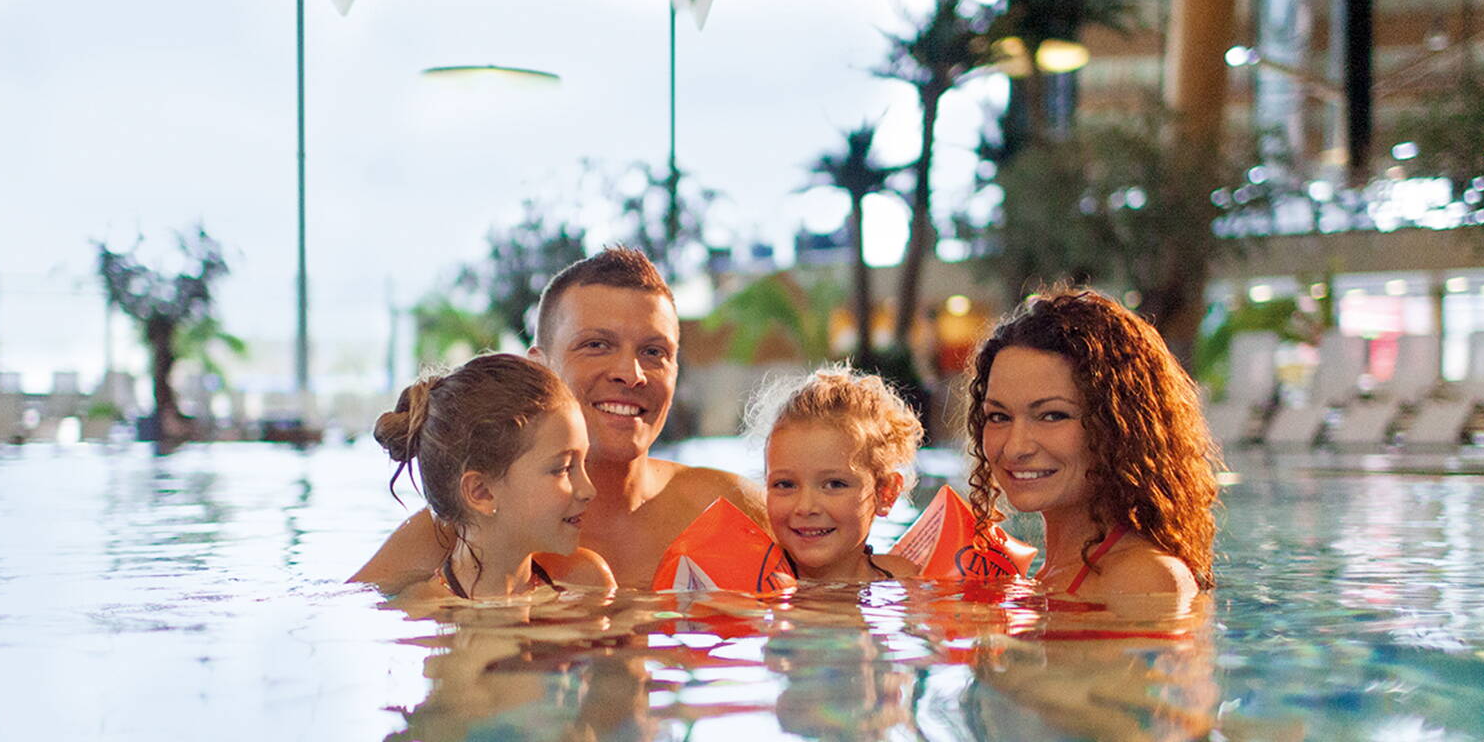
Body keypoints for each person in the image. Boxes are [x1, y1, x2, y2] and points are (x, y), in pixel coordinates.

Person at [352, 247, 765, 590]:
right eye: (597, 345)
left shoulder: (728, 507)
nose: (631, 373)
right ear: (540, 369)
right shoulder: (462, 530)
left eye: (655, 352)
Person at [965, 286, 1218, 601]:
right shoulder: (1050, 575)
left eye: (1052, 415)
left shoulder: (1142, 578)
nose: (1015, 448)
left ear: (1119, 425)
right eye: (999, 416)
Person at [375, 353, 612, 600]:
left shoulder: (587, 583)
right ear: (482, 492)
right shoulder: (422, 616)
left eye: (584, 462)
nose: (589, 490)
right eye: (563, 469)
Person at [752, 366, 923, 584]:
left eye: (834, 484)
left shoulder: (903, 579)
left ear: (885, 493)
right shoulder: (750, 583)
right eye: (785, 484)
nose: (805, 507)